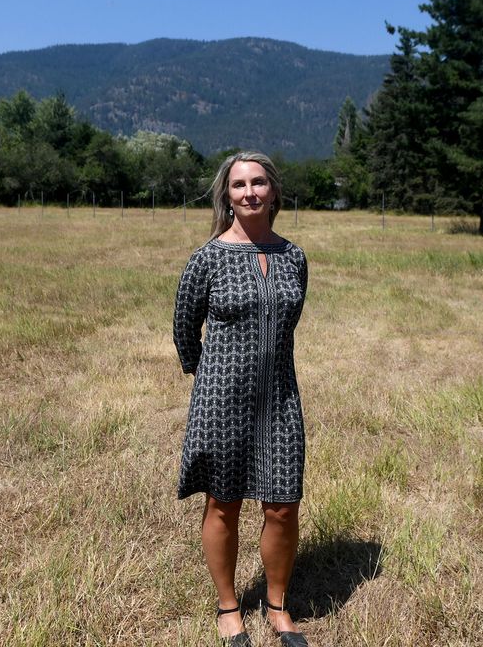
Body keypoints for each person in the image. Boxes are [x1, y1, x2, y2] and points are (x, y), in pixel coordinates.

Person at [173, 151, 310, 647]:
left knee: (282, 505)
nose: (248, 192)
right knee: (223, 502)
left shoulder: (293, 256)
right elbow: (184, 329)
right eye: (238, 185)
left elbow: (290, 320)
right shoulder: (207, 257)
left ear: (273, 190)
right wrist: (208, 375)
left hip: (280, 398)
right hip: (220, 399)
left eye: (257, 183)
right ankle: (229, 607)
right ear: (226, 195)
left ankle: (277, 606)